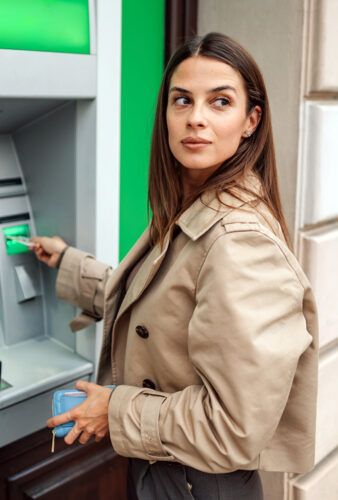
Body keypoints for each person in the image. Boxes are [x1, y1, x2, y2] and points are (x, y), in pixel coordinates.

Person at [31, 32, 318, 499]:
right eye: (181, 100)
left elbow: (233, 426)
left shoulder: (239, 241)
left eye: (219, 101)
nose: (196, 119)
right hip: (176, 476)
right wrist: (68, 263)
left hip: (199, 484)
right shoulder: (193, 208)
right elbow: (164, 310)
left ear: (251, 120)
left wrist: (115, 410)